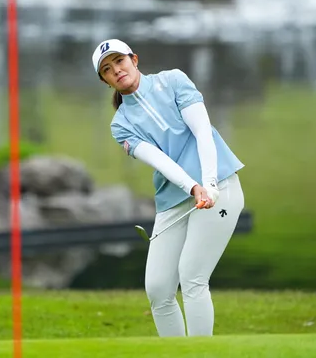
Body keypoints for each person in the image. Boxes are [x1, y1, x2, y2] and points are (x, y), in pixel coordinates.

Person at [92, 38, 245, 337]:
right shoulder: (120, 125)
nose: (117, 70)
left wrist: (209, 182)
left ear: (134, 60)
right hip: (175, 199)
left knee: (192, 277)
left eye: (119, 61)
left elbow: (202, 131)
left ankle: (200, 355)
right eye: (107, 69)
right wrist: (193, 187)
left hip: (220, 187)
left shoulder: (173, 81)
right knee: (158, 288)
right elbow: (160, 161)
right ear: (105, 81)